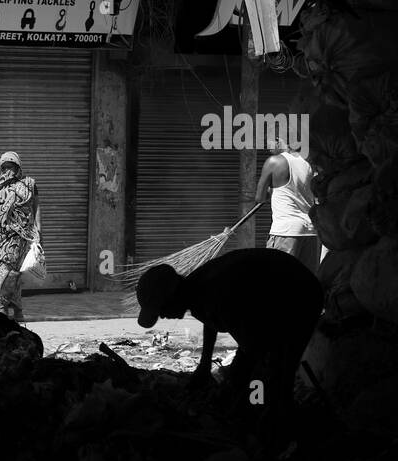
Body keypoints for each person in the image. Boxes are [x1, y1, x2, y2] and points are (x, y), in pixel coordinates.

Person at [135, 248, 323, 410]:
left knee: (280, 371)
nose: (163, 316)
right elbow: (210, 321)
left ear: (173, 295)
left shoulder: (218, 293)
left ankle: (276, 419)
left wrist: (233, 387)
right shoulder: (194, 290)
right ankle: (265, 407)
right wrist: (204, 363)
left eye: (162, 309)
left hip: (301, 294)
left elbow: (252, 349)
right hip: (273, 297)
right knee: (263, 373)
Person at [0, 150, 37, 323]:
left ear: (18, 167)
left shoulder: (28, 184)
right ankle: (18, 310)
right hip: (2, 238)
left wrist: (39, 232)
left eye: (11, 166)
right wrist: (0, 184)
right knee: (6, 273)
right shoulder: (0, 186)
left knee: (8, 273)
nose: (8, 170)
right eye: (4, 167)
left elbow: (36, 208)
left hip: (20, 237)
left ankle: (4, 308)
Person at [255, 136, 320, 276]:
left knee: (279, 282)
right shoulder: (306, 163)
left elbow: (259, 198)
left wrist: (269, 189)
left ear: (279, 139)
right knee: (305, 282)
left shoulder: (274, 162)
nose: (266, 145)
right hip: (309, 231)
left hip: (286, 232)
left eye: (268, 140)